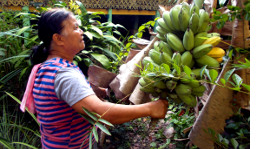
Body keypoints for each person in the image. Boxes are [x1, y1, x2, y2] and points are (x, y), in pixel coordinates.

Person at [20, 9, 168, 148]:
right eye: (75, 28)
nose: (81, 32)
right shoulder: (64, 74)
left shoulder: (46, 66)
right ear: (58, 39)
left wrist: (89, 92)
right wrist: (150, 108)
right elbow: (102, 113)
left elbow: (60, 99)